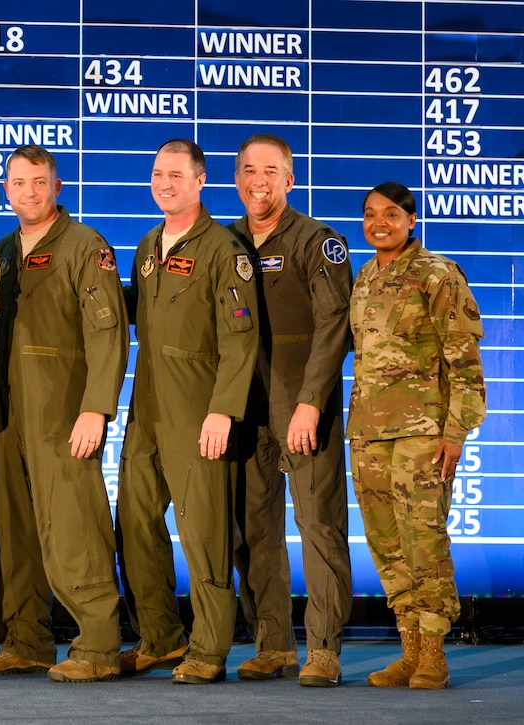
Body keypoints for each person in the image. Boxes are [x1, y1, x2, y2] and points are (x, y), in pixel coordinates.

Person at [0, 145, 128, 683]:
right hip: (10, 418)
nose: (28, 192)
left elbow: (107, 334)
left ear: (56, 188)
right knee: (12, 533)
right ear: (6, 189)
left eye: (39, 182)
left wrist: (96, 409)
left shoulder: (86, 246)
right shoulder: (2, 251)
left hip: (65, 415)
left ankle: (100, 646)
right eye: (18, 183)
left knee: (74, 528)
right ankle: (27, 641)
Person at [116, 138, 259, 684]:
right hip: (146, 411)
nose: (165, 183)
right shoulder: (149, 245)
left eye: (176, 175)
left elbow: (240, 339)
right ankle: (160, 639)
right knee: (133, 525)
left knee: (203, 533)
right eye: (158, 174)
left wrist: (223, 411)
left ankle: (210, 647)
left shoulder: (226, 251)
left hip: (199, 412)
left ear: (200, 182)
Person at [227, 134, 353, 687]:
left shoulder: (317, 242)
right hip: (241, 408)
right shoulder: (223, 242)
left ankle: (323, 649)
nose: (259, 180)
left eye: (271, 170)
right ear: (236, 179)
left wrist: (309, 402)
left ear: (289, 179)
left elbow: (335, 327)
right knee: (251, 530)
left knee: (319, 525)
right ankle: (273, 643)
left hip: (302, 406)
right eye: (249, 170)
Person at [349, 181, 485, 691]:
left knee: (423, 540)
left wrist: (456, 432)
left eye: (389, 214)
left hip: (423, 433)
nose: (378, 223)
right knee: (386, 543)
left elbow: (464, 361)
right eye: (369, 215)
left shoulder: (437, 274)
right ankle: (408, 651)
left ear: (411, 220)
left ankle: (434, 654)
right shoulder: (363, 277)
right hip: (368, 433)